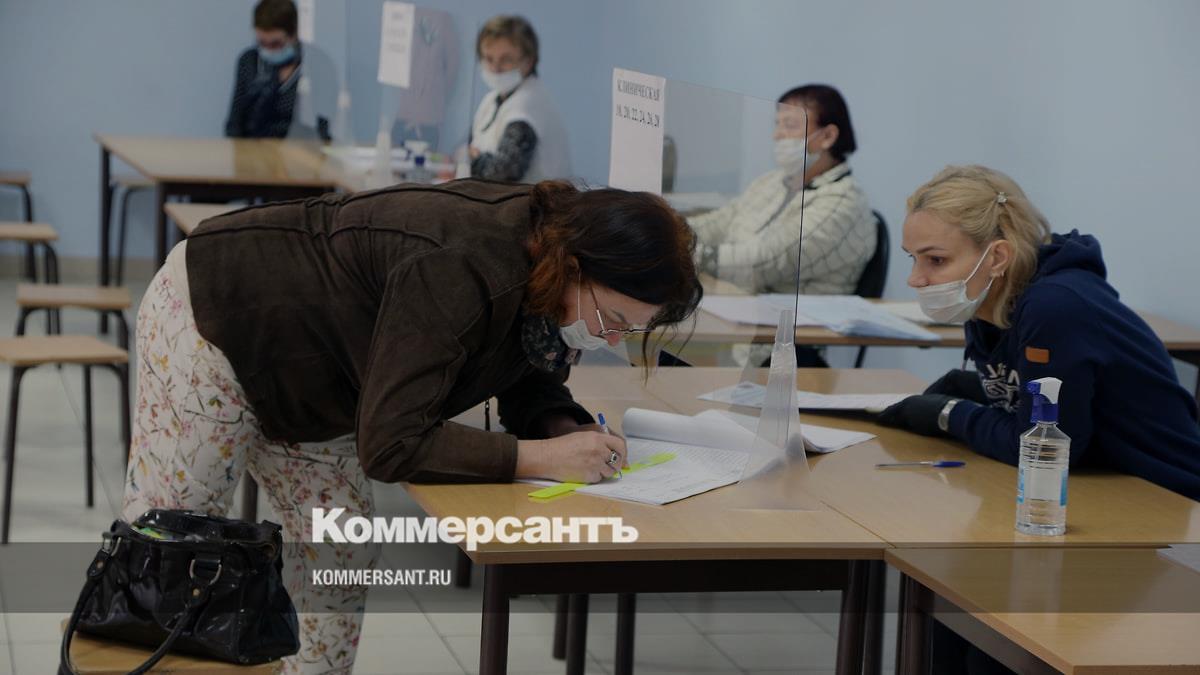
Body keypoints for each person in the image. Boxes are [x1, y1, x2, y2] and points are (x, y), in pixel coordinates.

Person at [122, 178, 702, 674]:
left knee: (341, 548)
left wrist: (562, 427)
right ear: (576, 265)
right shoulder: (464, 264)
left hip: (317, 376)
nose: (609, 339)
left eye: (628, 331)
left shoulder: (548, 261)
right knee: (170, 548)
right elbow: (391, 444)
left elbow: (523, 364)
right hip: (218, 315)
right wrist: (540, 459)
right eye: (612, 319)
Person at [883, 165, 1200, 674]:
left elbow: (1044, 445)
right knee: (947, 600)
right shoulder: (990, 302)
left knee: (988, 633)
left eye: (935, 260)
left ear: (997, 257)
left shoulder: (1055, 307)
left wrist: (948, 414)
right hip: (1094, 488)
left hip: (1162, 509)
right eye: (913, 258)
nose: (916, 279)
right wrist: (973, 394)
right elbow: (1033, 406)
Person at [690, 84, 876, 296]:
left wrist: (688, 253)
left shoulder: (844, 202)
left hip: (794, 314)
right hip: (741, 298)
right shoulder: (773, 181)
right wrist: (674, 232)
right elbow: (720, 222)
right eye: (777, 124)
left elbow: (766, 262)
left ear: (827, 136)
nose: (777, 135)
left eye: (790, 125)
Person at [469, 15, 571, 182]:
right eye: (488, 58)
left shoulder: (528, 103)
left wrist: (477, 160)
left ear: (528, 61)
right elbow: (468, 147)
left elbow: (504, 174)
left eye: (506, 59)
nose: (495, 68)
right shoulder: (493, 99)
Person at [225, 0, 307, 139]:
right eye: (262, 43)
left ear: (293, 35)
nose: (268, 50)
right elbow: (234, 123)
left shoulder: (311, 66)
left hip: (296, 148)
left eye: (276, 44)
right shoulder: (249, 62)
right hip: (251, 147)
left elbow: (320, 129)